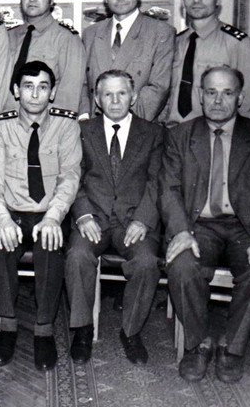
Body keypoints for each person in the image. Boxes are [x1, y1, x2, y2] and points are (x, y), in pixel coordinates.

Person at [161, 66, 250, 383]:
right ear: (200, 95)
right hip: (198, 227)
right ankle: (198, 344)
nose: (218, 100)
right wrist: (180, 231)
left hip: (246, 230)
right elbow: (168, 189)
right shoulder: (179, 136)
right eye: (211, 92)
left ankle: (232, 348)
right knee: (181, 265)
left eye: (227, 93)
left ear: (240, 97)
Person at [0, 61, 82, 371]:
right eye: (28, 86)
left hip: (49, 212)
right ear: (16, 91)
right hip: (12, 211)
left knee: (50, 246)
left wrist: (53, 217)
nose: (35, 94)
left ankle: (44, 330)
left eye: (42, 87)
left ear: (52, 92)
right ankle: (8, 326)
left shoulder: (67, 126)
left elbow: (70, 176)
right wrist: (1, 217)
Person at [65, 70, 163, 366]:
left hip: (134, 220)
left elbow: (157, 182)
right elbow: (71, 177)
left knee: (146, 262)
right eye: (108, 94)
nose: (115, 100)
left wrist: (143, 219)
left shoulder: (154, 133)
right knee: (77, 256)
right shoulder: (82, 131)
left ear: (133, 97)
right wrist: (83, 215)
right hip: (92, 217)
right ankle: (83, 329)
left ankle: (131, 331)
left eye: (122, 93)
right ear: (97, 99)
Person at [161, 0, 250, 125]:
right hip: (173, 132)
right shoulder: (175, 42)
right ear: (183, 1)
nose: (197, 0)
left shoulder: (237, 43)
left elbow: (249, 104)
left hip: (213, 134)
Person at [82, 0, 174, 121]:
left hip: (139, 126)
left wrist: (122, 123)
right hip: (95, 126)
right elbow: (83, 83)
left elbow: (158, 88)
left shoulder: (161, 32)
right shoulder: (91, 33)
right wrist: (87, 118)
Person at [6, 0, 87, 118]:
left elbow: (68, 97)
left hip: (46, 125)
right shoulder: (9, 36)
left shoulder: (67, 39)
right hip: (7, 123)